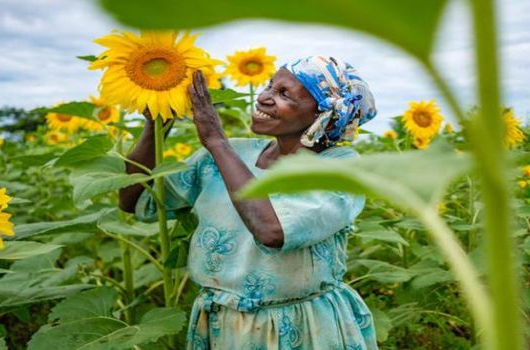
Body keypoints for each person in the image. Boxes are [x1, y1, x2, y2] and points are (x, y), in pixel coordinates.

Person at [119, 55, 379, 349]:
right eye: (270, 86)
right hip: (222, 323)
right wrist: (157, 124)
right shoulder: (230, 157)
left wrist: (216, 140)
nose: (264, 97)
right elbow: (135, 199)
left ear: (323, 114)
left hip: (301, 327)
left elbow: (272, 230)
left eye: (284, 94)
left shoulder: (338, 169)